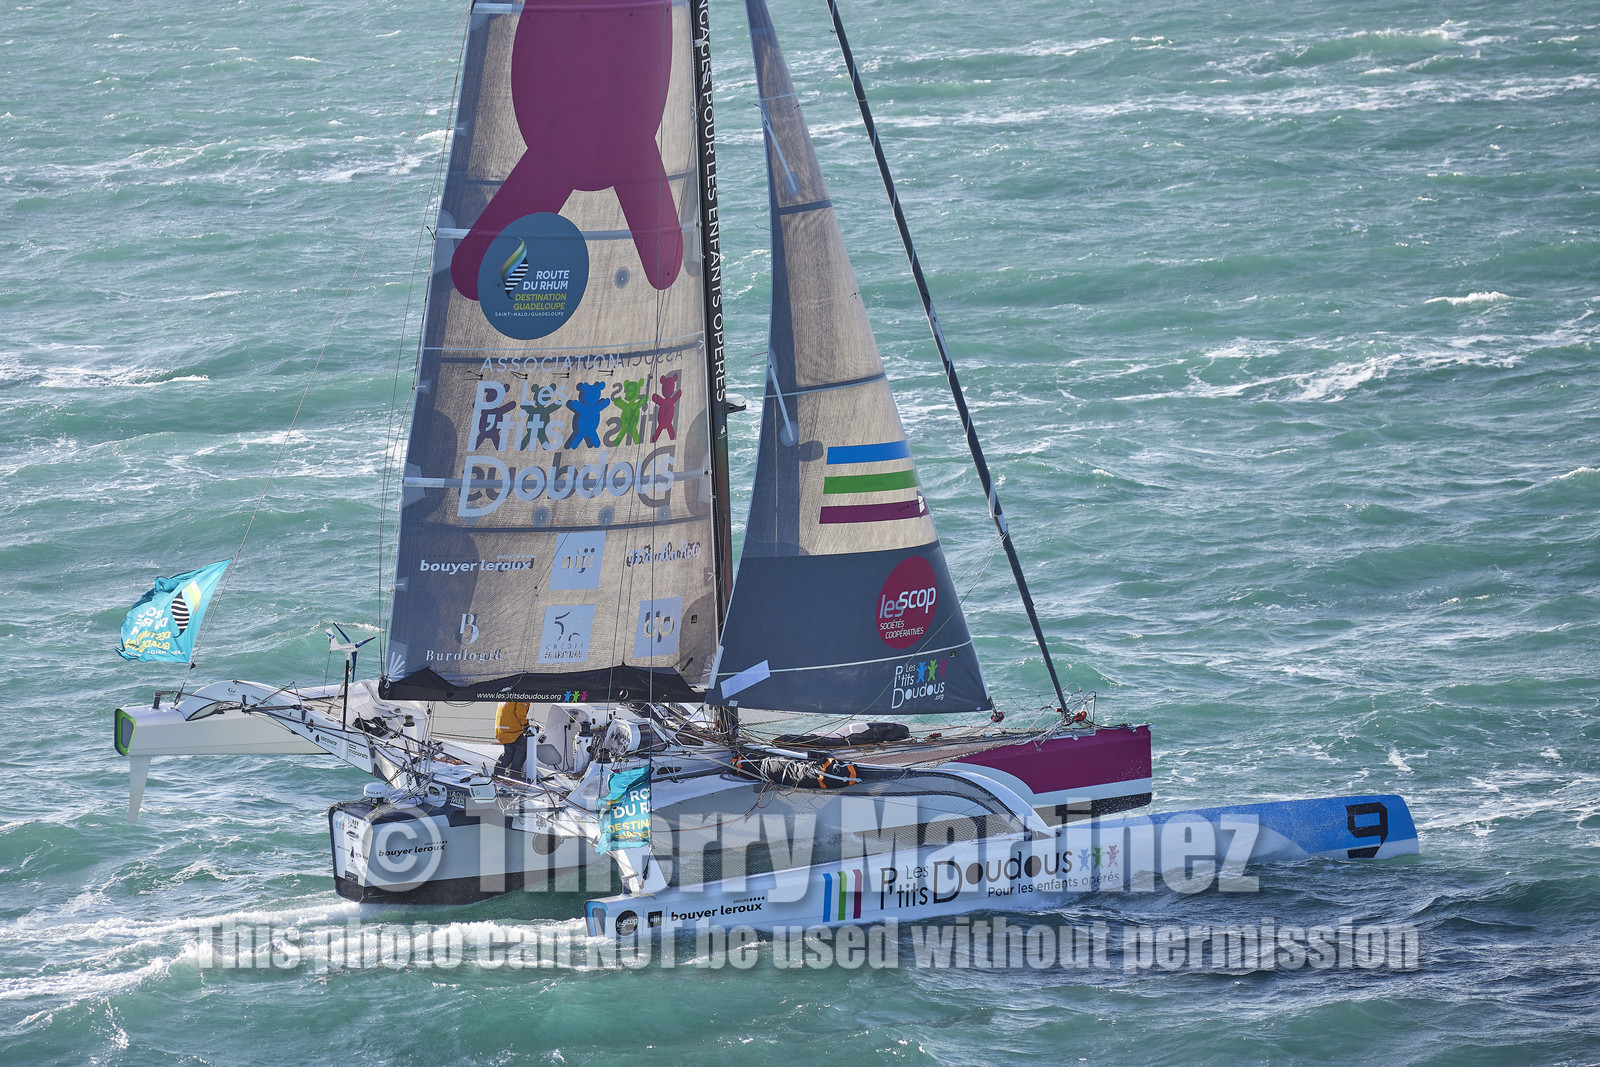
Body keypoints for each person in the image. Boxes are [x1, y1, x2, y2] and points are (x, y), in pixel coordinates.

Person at [493, 700, 531, 779]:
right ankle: (515, 775)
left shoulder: (508, 695)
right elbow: (520, 712)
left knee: (509, 752)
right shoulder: (522, 695)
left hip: (501, 729)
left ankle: (498, 772)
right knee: (521, 751)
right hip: (512, 730)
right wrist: (526, 725)